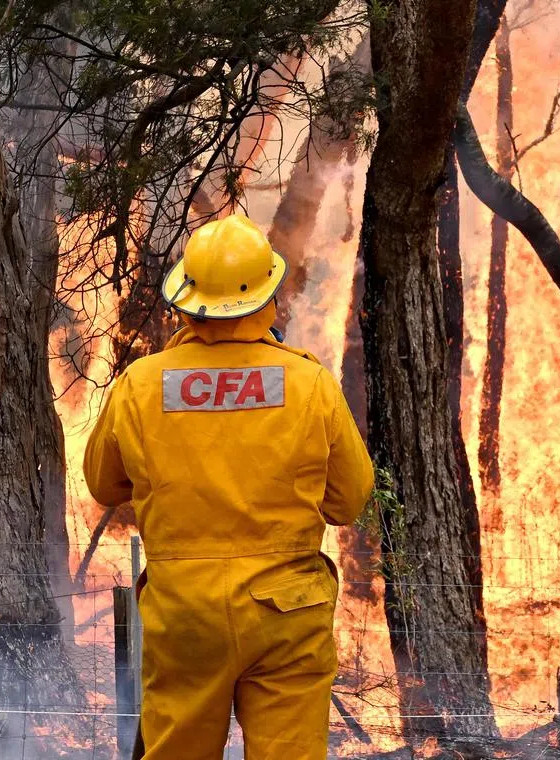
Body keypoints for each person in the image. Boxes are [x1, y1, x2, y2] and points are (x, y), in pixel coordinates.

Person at [84, 214, 374, 760]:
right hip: (287, 613)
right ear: (268, 294)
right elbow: (349, 499)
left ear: (187, 300)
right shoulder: (309, 382)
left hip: (185, 617)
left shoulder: (142, 385)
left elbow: (104, 483)